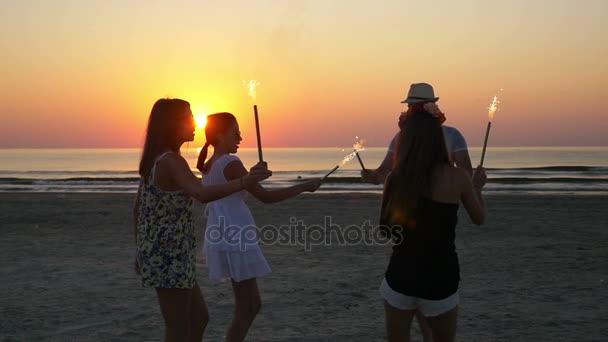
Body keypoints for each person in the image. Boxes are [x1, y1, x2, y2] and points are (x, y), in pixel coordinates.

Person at [133, 99, 271, 342]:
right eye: (188, 116)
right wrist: (244, 182)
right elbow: (200, 194)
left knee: (198, 318)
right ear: (172, 123)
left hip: (172, 253)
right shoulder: (170, 161)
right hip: (168, 256)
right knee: (177, 328)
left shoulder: (158, 158)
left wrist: (140, 250)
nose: (194, 121)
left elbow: (138, 208)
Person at [196, 112, 322, 342]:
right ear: (220, 134)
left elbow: (237, 184)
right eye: (236, 132)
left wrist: (253, 175)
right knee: (248, 307)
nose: (241, 137)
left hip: (223, 233)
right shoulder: (230, 162)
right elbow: (267, 197)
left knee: (251, 305)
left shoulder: (210, 164)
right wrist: (303, 187)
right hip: (235, 235)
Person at [379, 105, 487, 342]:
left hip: (402, 274)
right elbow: (479, 219)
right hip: (441, 276)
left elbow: (385, 230)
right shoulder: (459, 177)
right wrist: (477, 187)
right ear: (439, 138)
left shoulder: (395, 178)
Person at [362, 83, 473, 186]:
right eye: (410, 107)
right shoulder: (400, 137)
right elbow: (384, 172)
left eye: (413, 107)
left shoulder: (452, 135)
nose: (411, 111)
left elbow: (466, 173)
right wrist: (372, 177)